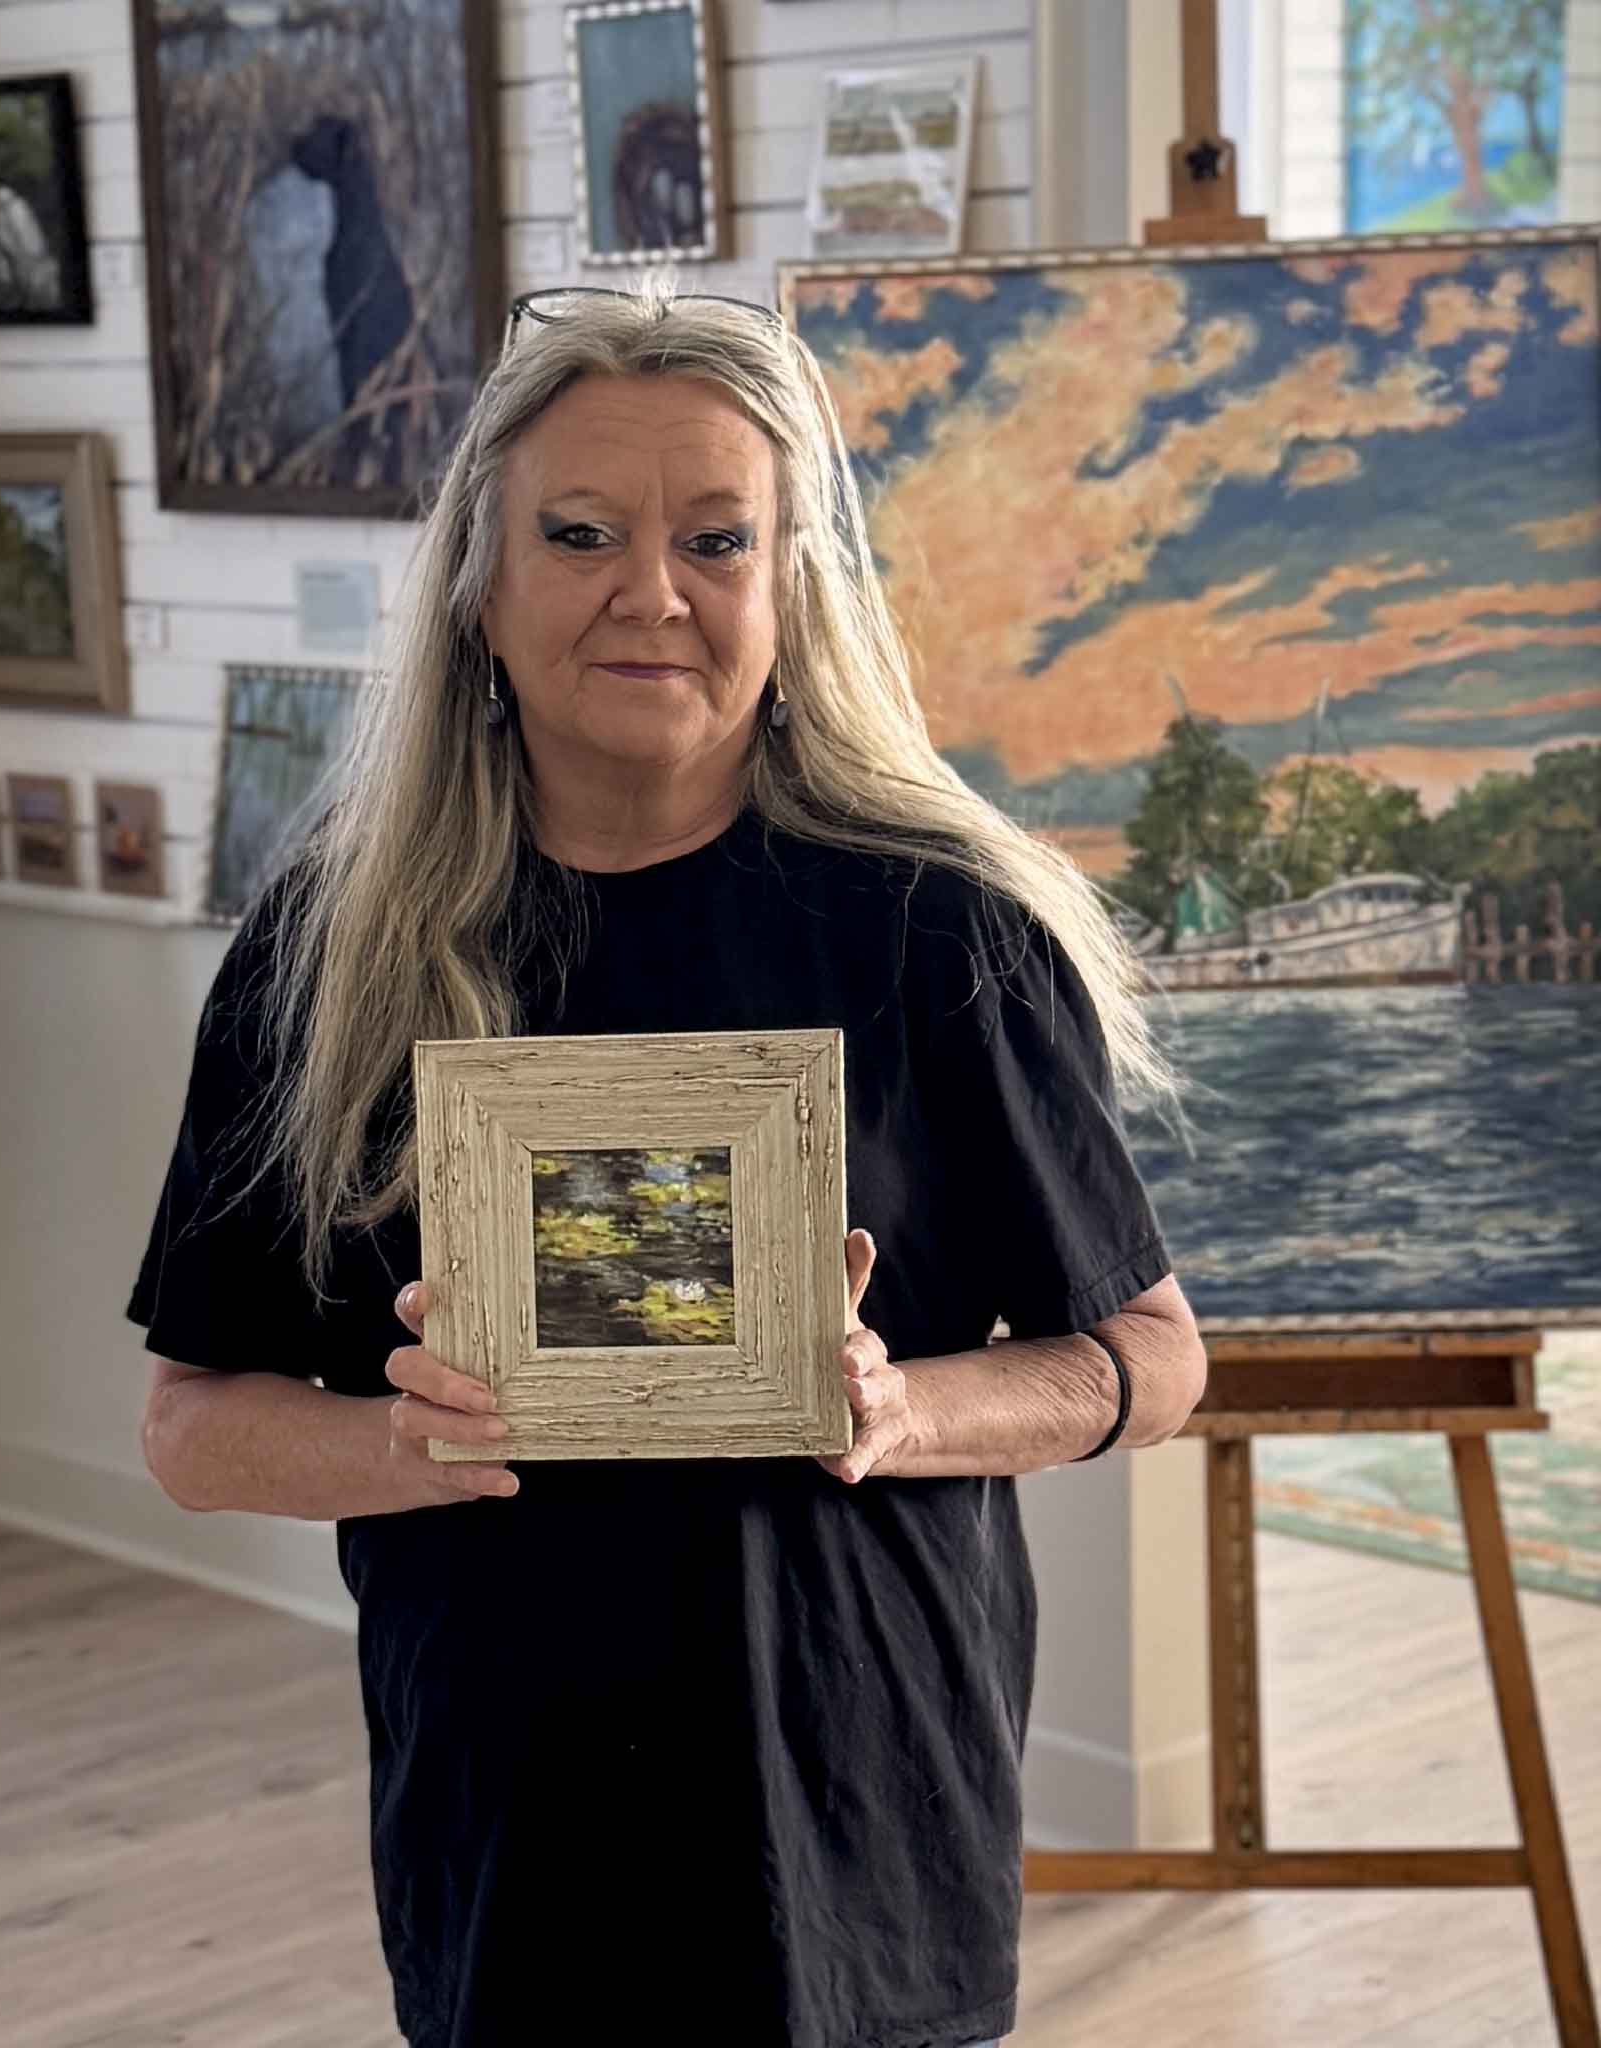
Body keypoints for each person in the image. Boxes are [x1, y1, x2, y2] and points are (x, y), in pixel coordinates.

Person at [128, 281, 1208, 2048]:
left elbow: (1153, 1361)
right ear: (478, 581)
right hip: (507, 1806)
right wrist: (402, 1441)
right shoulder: (332, 955)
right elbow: (190, 1428)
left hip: (857, 1794)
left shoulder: (939, 930)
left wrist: (897, 1409)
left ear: (792, 586)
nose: (653, 591)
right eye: (579, 534)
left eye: (718, 537)